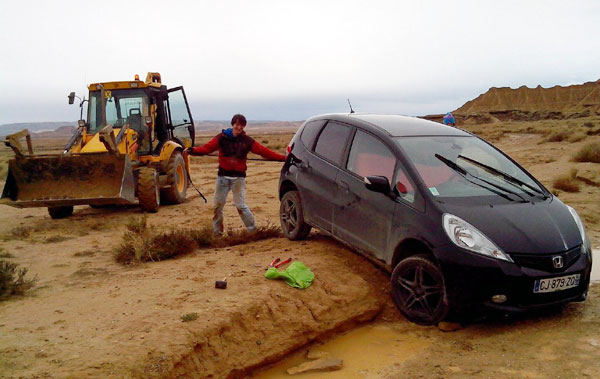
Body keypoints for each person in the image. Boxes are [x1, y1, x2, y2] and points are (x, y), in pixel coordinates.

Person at [185, 114, 286, 235]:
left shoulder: (247, 141)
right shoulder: (221, 138)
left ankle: (253, 231)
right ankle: (217, 233)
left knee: (240, 206)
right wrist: (193, 151)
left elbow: (264, 152)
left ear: (244, 126)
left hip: (238, 179)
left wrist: (283, 158)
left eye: (241, 125)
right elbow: (207, 148)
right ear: (233, 124)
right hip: (222, 177)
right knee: (218, 206)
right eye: (237, 124)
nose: (239, 127)